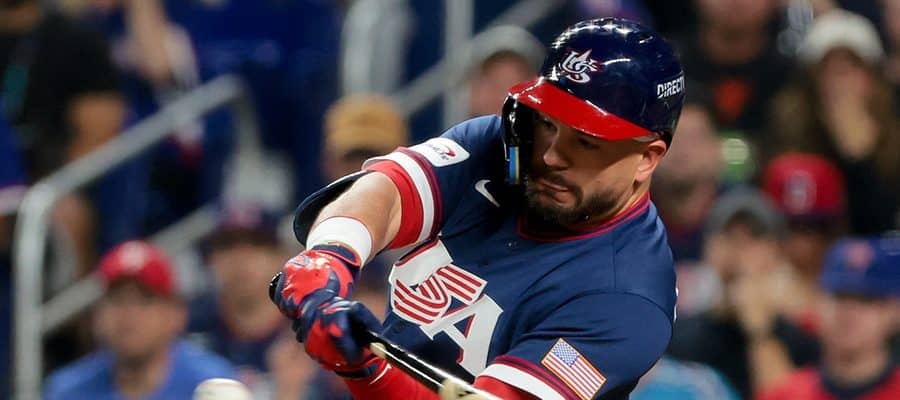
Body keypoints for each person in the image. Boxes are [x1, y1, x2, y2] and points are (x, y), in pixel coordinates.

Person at [269, 18, 685, 399]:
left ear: (647, 158)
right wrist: (330, 257)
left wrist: (364, 367)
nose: (551, 155)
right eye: (548, 124)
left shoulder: (629, 299)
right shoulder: (503, 148)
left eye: (586, 142)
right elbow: (387, 192)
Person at [667, 188, 820, 398]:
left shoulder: (802, 342)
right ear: (708, 249)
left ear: (777, 251)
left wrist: (758, 329)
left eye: (754, 236)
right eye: (728, 235)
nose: (739, 247)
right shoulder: (677, 338)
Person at [44, 240, 235, 399]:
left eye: (145, 300)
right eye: (117, 300)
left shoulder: (211, 386)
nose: (129, 314)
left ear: (175, 314)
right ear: (98, 315)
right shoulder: (68, 391)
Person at [768, 9, 900, 234]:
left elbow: (886, 226)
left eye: (852, 67)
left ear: (873, 79)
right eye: (829, 69)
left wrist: (861, 158)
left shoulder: (894, 132)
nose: (841, 81)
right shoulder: (789, 132)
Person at [757, 235, 900, 400]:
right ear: (817, 303)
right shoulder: (781, 395)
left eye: (866, 299)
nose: (849, 311)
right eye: (838, 296)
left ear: (894, 311)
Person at [187, 204, 289, 392]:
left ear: (281, 257)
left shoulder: (310, 326)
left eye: (257, 244)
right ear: (210, 260)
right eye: (228, 246)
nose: (241, 258)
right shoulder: (188, 326)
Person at [761, 152, 847, 335]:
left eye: (811, 229)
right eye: (790, 228)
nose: (800, 243)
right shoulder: (755, 285)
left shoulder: (853, 284)